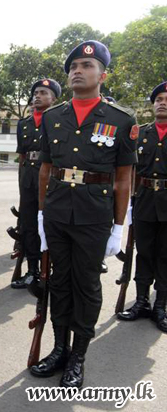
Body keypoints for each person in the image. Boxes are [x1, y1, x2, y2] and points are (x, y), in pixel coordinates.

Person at [31, 40, 136, 388]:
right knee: (58, 281)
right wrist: (42, 215)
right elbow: (45, 168)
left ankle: (78, 354)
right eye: (74, 65)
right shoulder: (53, 116)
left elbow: (124, 177)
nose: (78, 70)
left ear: (102, 74)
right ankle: (59, 348)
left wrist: (119, 225)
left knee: (86, 285)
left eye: (86, 66)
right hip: (58, 211)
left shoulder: (121, 119)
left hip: (94, 215)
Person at [116, 81, 167, 333]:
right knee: (143, 252)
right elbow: (131, 170)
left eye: (166, 99)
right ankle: (142, 301)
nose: (162, 102)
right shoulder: (141, 133)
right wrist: (128, 205)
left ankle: (161, 306)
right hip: (144, 200)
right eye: (159, 99)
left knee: (165, 255)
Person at [11, 78, 61, 289]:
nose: (37, 96)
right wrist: (22, 180)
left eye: (43, 93)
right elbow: (22, 156)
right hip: (29, 178)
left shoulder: (59, 120)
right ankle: (32, 269)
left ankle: (51, 269)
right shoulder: (24, 123)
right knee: (29, 225)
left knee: (51, 225)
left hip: (52, 178)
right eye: (35, 93)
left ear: (54, 98)